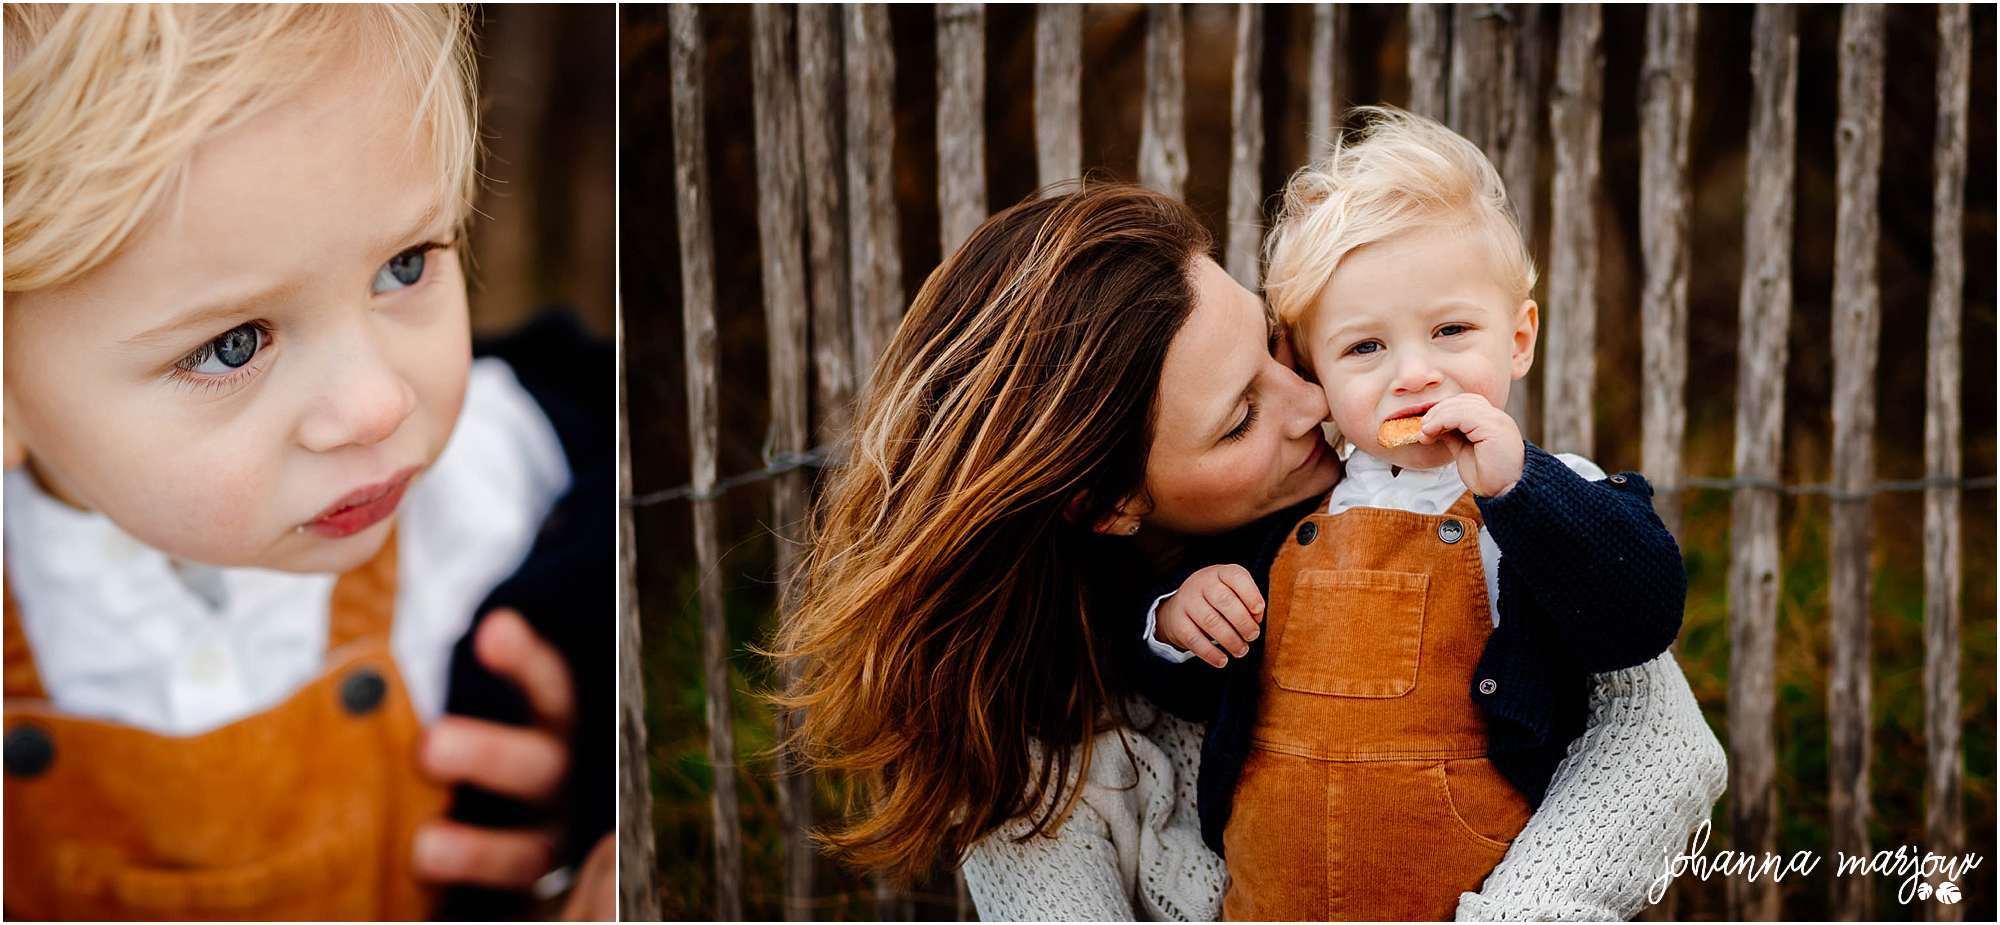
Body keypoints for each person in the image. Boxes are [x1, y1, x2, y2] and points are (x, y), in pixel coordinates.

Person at [776, 182, 1726, 920]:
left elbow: (1661, 735)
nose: (1313, 402)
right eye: (1240, 418)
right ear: (1110, 503)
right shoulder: (1031, 774)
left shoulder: (1459, 508)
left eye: (1279, 346)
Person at [2, 6, 609, 919]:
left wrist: (596, 778)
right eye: (234, 345)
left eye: (405, 265)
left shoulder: (515, 483)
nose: (378, 405)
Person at [1138, 106, 1695, 920]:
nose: (1415, 374)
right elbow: (1193, 701)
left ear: (1518, 338)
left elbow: (1642, 613)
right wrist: (1177, 623)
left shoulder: (1550, 494)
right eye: (1365, 347)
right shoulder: (1294, 506)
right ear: (1314, 367)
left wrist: (1522, 490)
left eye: (1450, 330)